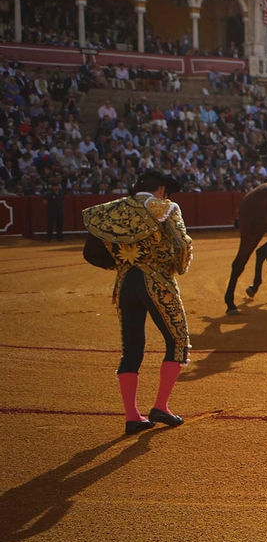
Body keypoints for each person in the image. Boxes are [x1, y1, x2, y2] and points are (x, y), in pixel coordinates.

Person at [81, 170, 193, 435]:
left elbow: (91, 252)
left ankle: (133, 416)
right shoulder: (165, 207)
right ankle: (161, 407)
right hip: (156, 282)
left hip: (125, 284)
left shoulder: (112, 210)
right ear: (162, 190)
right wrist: (175, 266)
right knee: (177, 341)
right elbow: (181, 243)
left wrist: (122, 262)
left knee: (132, 348)